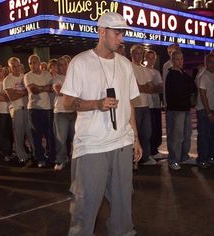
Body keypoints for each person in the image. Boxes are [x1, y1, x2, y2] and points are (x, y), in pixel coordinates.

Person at [61, 12, 142, 236]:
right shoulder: (81, 62)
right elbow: (67, 101)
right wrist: (96, 104)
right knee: (85, 203)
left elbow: (130, 105)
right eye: (117, 33)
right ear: (102, 31)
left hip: (122, 142)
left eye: (123, 33)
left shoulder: (125, 64)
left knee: (123, 201)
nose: (121, 39)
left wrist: (135, 138)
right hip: (92, 145)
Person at [165, 51, 196, 170]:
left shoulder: (183, 73)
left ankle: (184, 156)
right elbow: (179, 92)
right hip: (176, 109)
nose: (180, 61)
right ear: (173, 60)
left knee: (187, 134)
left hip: (185, 108)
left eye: (182, 59)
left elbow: (192, 86)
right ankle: (173, 159)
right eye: (178, 59)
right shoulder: (171, 74)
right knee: (176, 136)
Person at [24, 55, 55, 167]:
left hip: (47, 108)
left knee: (49, 134)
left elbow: (52, 88)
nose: (32, 65)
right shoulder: (27, 76)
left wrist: (40, 87)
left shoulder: (46, 74)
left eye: (34, 62)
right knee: (36, 135)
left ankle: (51, 156)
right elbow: (33, 90)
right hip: (34, 109)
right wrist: (44, 87)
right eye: (30, 63)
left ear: (39, 62)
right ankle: (40, 158)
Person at [3, 57, 33, 164]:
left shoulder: (24, 77)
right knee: (19, 135)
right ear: (10, 67)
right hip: (17, 109)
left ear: (20, 65)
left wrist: (18, 92)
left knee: (30, 133)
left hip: (27, 108)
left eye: (17, 65)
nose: (16, 68)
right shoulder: (7, 80)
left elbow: (30, 92)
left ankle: (35, 154)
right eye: (13, 66)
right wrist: (24, 92)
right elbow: (11, 97)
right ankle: (21, 156)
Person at [130, 44, 156, 166]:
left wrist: (142, 87)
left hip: (145, 105)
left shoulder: (145, 69)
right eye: (136, 53)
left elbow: (152, 88)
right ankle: (133, 159)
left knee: (146, 133)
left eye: (141, 53)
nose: (139, 55)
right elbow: (136, 87)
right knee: (134, 135)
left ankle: (145, 157)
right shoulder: (129, 67)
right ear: (132, 54)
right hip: (134, 105)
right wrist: (144, 87)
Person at [53, 57, 76, 171]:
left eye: (64, 64)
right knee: (61, 139)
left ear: (68, 65)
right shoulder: (56, 78)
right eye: (59, 65)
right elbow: (59, 91)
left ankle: (77, 159)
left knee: (76, 138)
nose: (62, 67)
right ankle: (61, 160)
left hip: (74, 111)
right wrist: (72, 92)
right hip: (61, 111)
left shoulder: (74, 77)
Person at [195, 53, 214, 168]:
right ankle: (201, 159)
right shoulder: (204, 75)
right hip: (204, 110)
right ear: (206, 63)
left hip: (212, 109)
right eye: (210, 62)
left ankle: (210, 156)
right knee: (204, 135)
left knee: (211, 135)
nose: (212, 64)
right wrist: (208, 112)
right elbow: (203, 95)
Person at [145, 50, 163, 160]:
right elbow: (148, 88)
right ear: (145, 58)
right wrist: (152, 88)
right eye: (149, 57)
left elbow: (160, 88)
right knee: (149, 130)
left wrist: (152, 88)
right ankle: (150, 151)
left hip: (156, 104)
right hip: (147, 105)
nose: (151, 60)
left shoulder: (156, 72)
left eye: (153, 58)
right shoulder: (143, 70)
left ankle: (154, 150)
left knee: (157, 129)